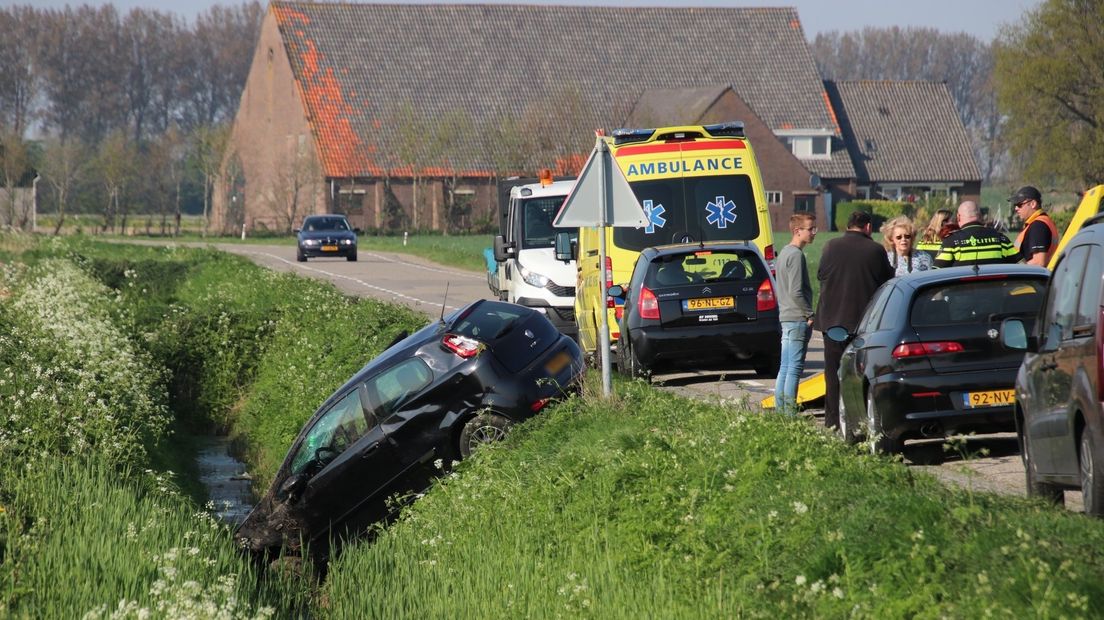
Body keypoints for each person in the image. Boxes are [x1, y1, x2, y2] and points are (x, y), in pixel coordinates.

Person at [814, 211, 894, 429]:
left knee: (833, 374)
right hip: (863, 324)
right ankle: (860, 421)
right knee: (862, 374)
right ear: (867, 227)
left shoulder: (830, 246)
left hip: (833, 323)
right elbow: (888, 280)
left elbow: (821, 275)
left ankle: (832, 422)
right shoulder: (875, 250)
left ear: (847, 226)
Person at [773, 213, 816, 414]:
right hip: (797, 318)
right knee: (795, 368)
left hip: (785, 316)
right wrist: (809, 314)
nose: (814, 232)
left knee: (785, 366)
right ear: (797, 231)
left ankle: (781, 410)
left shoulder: (783, 252)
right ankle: (789, 414)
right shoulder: (796, 255)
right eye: (810, 228)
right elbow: (796, 291)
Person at [933, 200, 1018, 268]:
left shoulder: (951, 241)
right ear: (980, 216)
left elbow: (937, 272)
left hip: (962, 289)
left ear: (958, 217)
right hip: (997, 289)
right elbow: (1020, 266)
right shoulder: (1001, 239)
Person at [1010, 185, 1057, 266]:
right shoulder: (1042, 221)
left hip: (1033, 278)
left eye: (1019, 204)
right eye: (1015, 205)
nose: (1016, 208)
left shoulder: (1038, 226)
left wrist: (1015, 270)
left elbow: (1039, 262)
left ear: (1033, 204)